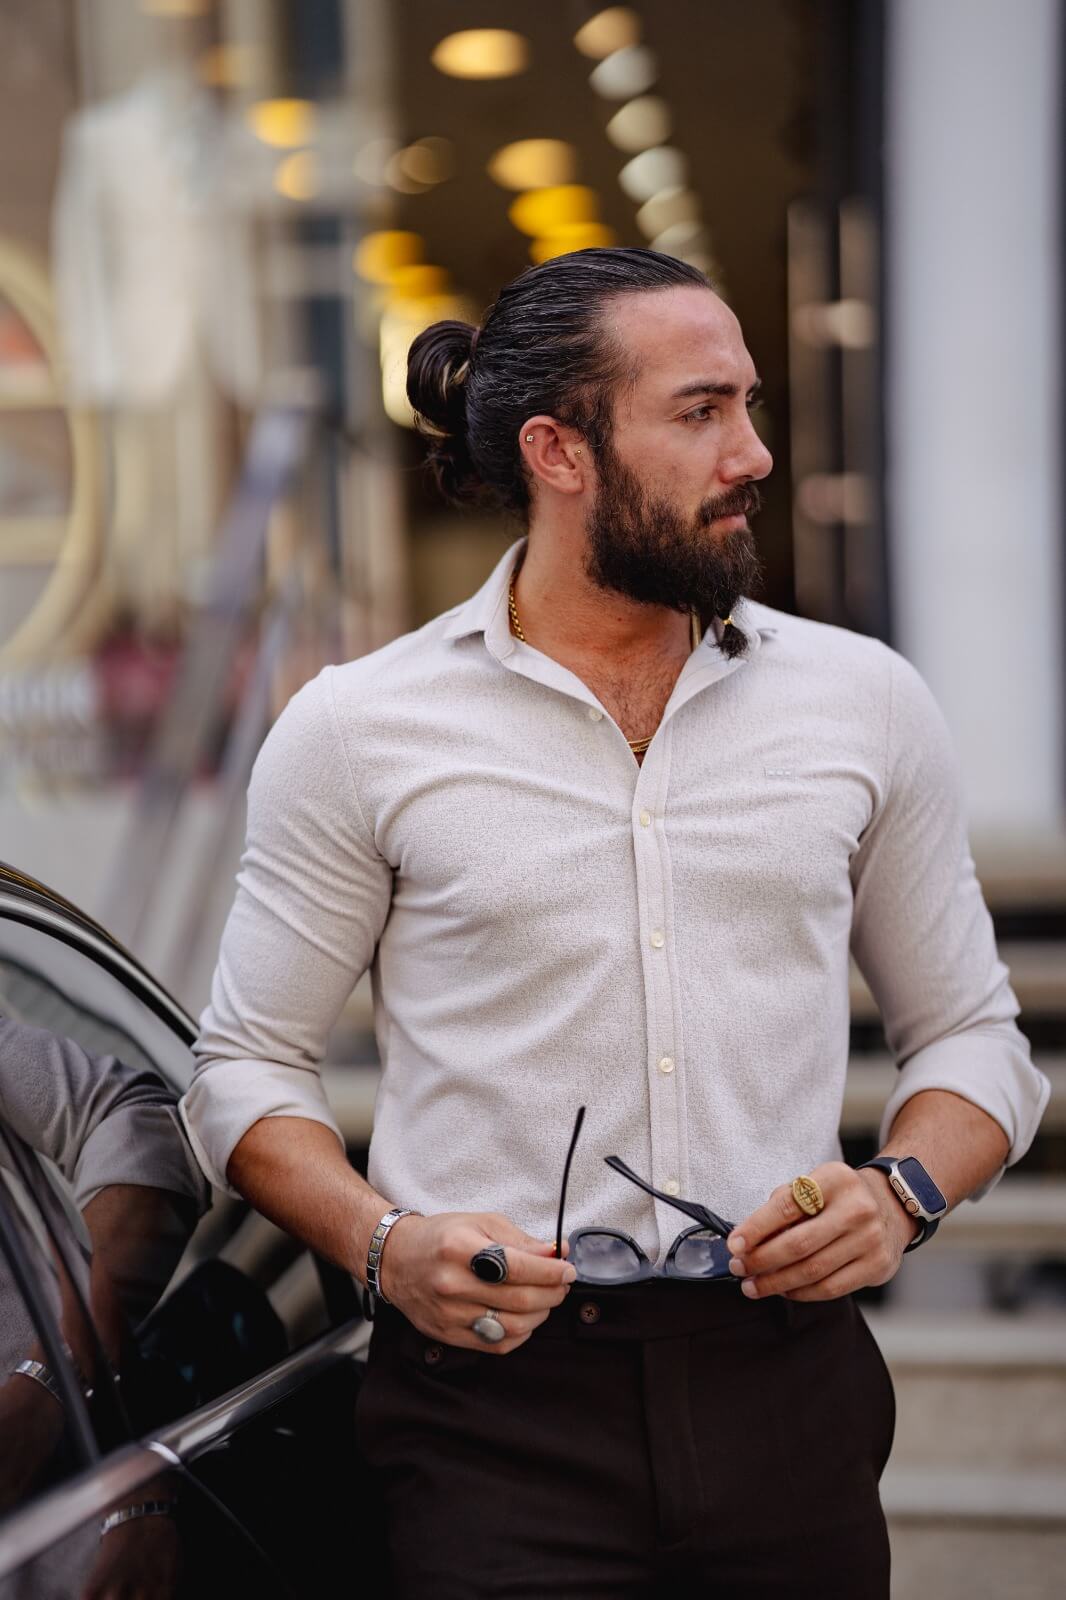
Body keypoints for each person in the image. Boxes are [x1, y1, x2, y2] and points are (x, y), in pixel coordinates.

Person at [180, 247, 1049, 1597]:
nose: (751, 454)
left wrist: (903, 1194)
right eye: (699, 412)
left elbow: (973, 1039)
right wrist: (376, 1241)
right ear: (558, 450)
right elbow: (242, 1068)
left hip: (787, 1391)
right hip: (486, 1413)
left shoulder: (862, 703)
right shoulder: (359, 730)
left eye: (747, 406)